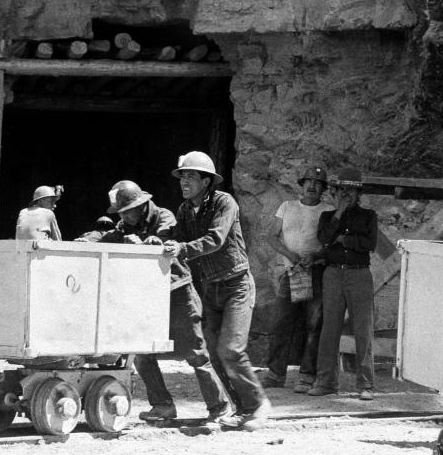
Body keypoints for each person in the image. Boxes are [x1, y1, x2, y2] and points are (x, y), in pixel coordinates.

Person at [98, 180, 230, 425]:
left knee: (195, 352)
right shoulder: (125, 226)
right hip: (147, 296)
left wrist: (149, 243)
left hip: (177, 291)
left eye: (127, 211)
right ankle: (162, 406)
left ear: (141, 205)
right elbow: (109, 236)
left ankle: (219, 407)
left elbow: (163, 238)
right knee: (141, 352)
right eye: (120, 213)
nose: (124, 216)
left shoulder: (164, 216)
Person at [163, 151, 271, 431]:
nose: (184, 182)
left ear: (206, 180)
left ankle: (258, 405)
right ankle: (241, 408)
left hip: (237, 285)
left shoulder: (225, 202)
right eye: (182, 177)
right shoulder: (185, 210)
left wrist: (181, 249)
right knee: (214, 350)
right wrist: (161, 240)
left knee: (231, 349)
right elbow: (180, 239)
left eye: (190, 176)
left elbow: (216, 239)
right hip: (211, 288)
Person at [308, 167, 378, 400]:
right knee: (330, 329)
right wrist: (338, 214)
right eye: (342, 190)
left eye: (351, 190)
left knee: (363, 330)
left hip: (359, 275)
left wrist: (343, 240)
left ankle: (365, 385)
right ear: (336, 192)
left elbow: (369, 244)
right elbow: (324, 238)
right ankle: (326, 382)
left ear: (359, 194)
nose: (346, 195)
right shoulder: (328, 217)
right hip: (334, 274)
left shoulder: (369, 216)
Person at [262, 165, 334, 394]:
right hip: (291, 273)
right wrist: (290, 256)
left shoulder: (328, 210)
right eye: (309, 182)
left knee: (314, 325)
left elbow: (331, 243)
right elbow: (271, 237)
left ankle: (306, 376)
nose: (312, 186)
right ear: (301, 185)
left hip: (316, 273)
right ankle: (275, 374)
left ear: (323, 189)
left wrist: (316, 258)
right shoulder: (287, 207)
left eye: (318, 183)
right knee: (279, 323)